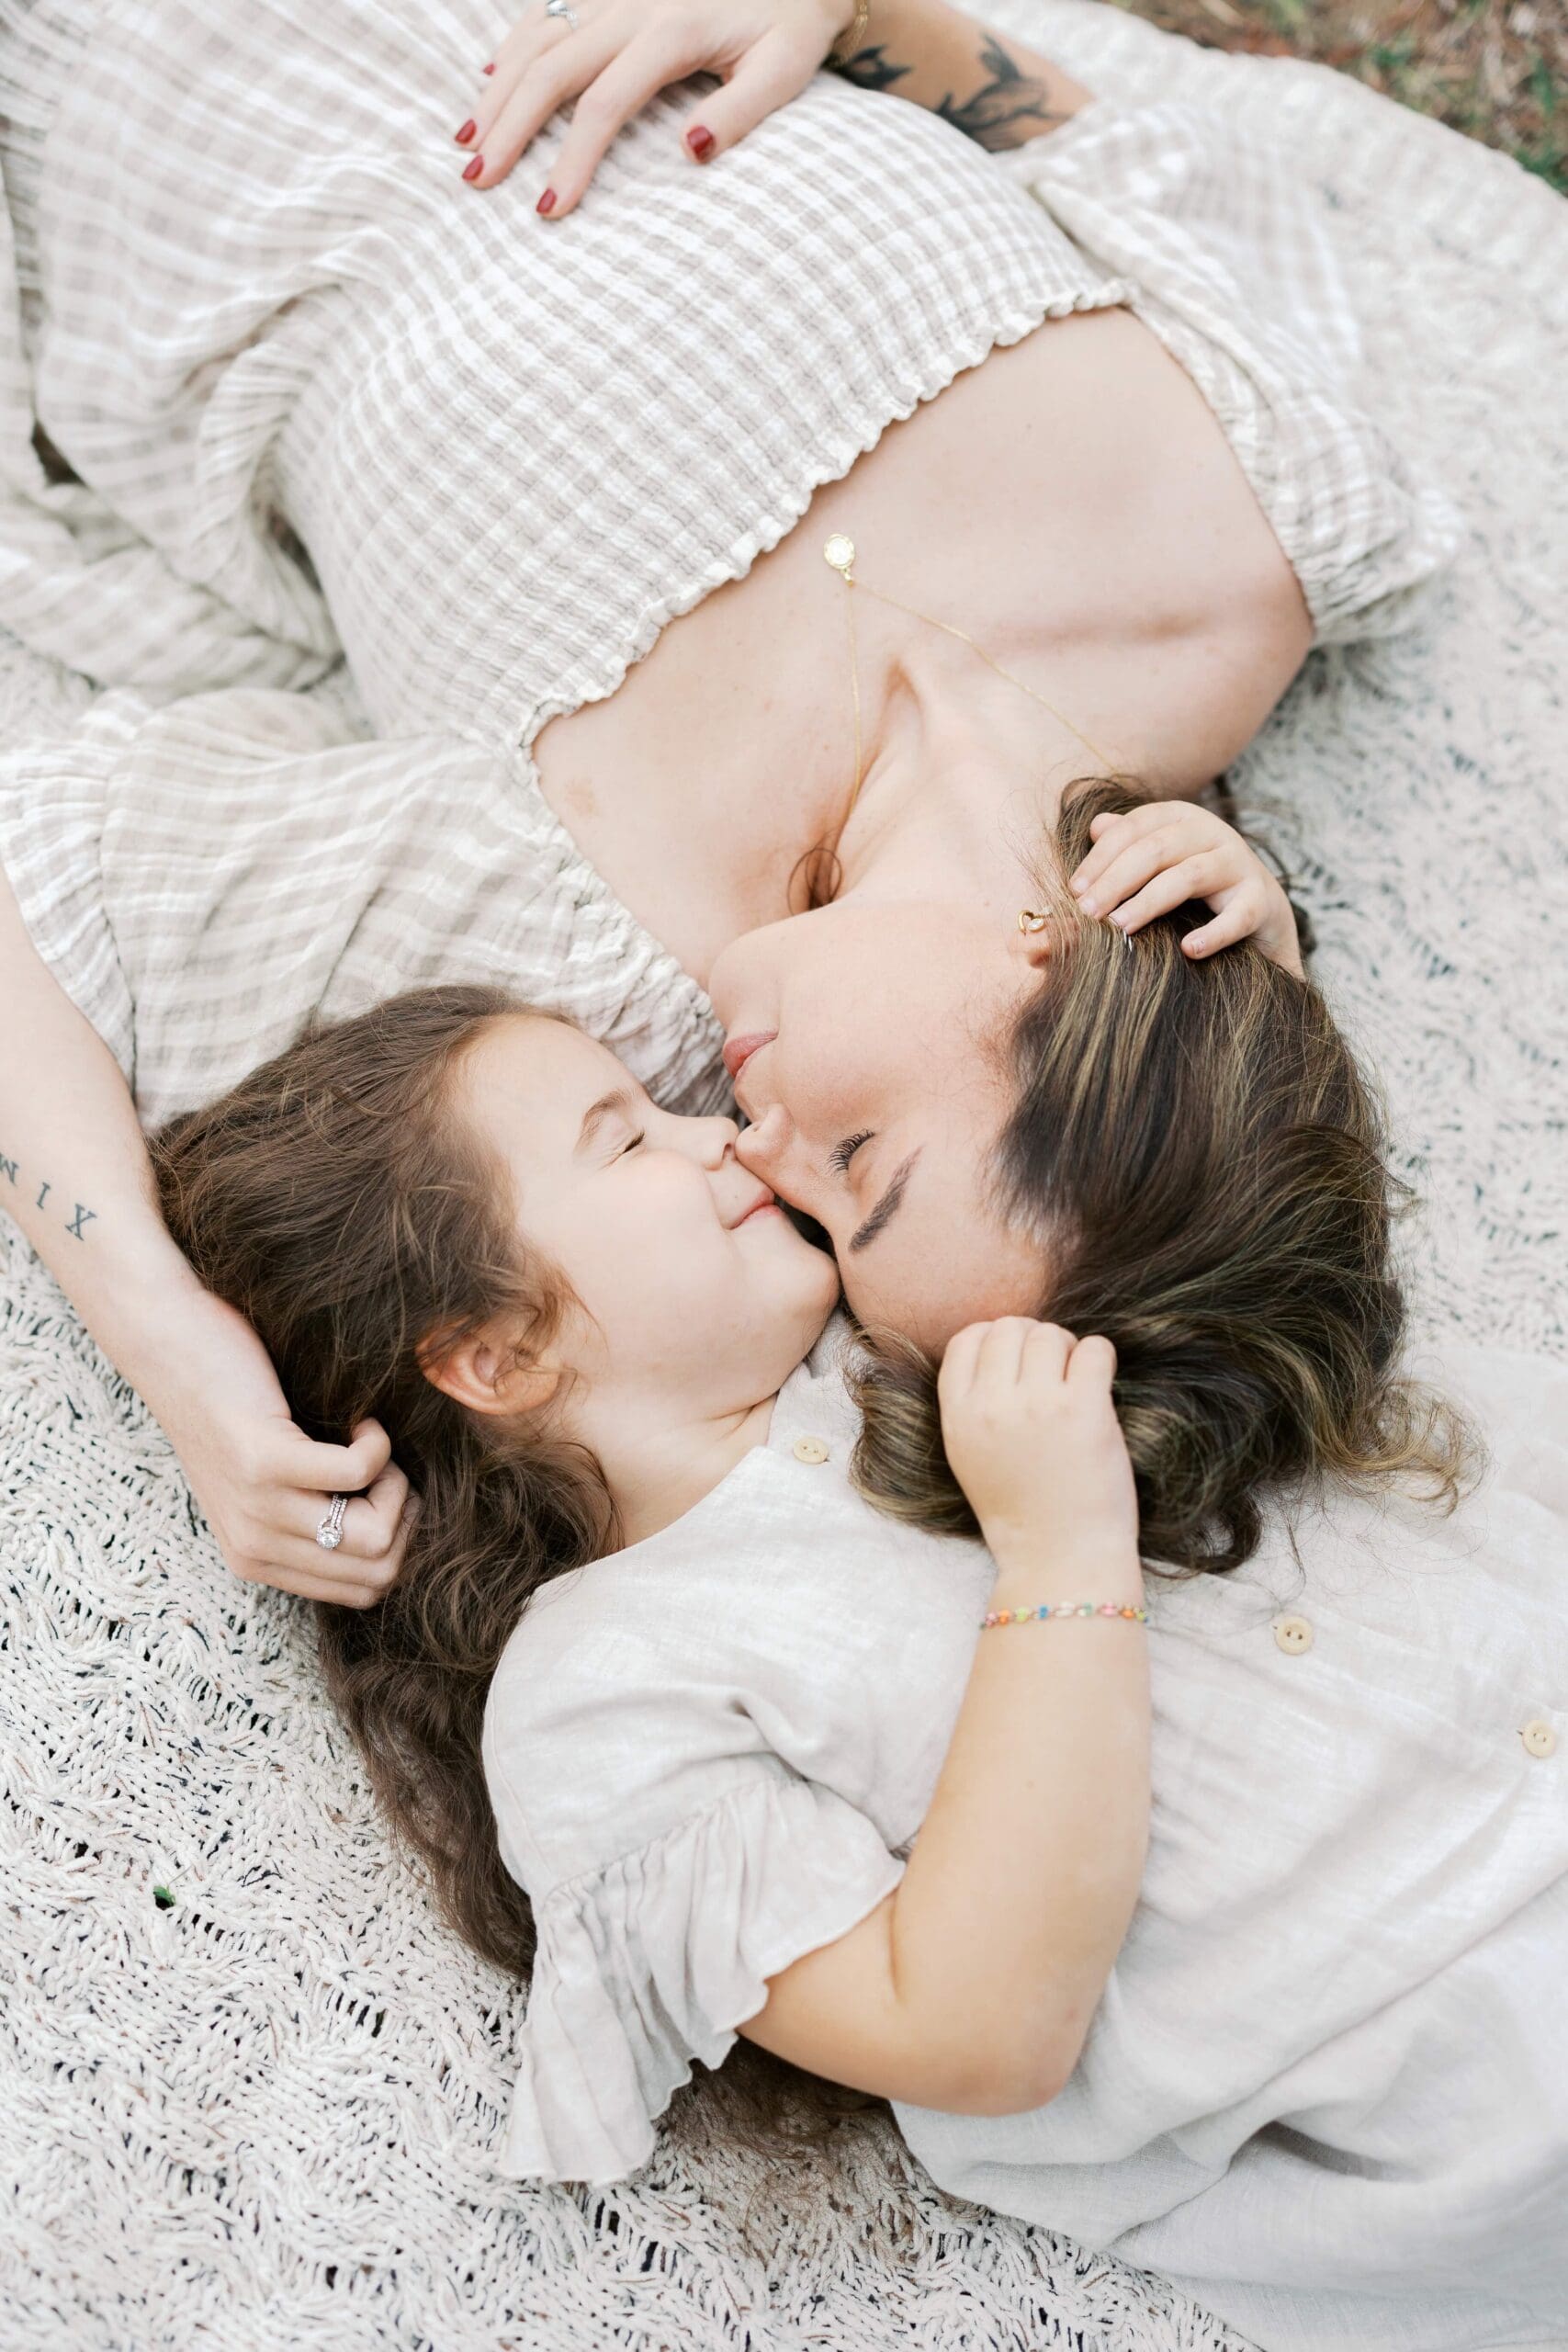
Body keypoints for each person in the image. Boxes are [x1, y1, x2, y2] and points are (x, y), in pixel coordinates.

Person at [0, 0, 1458, 1603]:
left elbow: (43, 893)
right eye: (864, 1159)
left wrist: (167, 1342)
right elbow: (1134, 152)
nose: (766, 1160)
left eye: (818, 1234)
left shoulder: (601, 944)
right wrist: (854, 12)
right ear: (1065, 974)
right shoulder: (1245, 565)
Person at [143, 796, 1567, 2351]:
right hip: (1465, 2064)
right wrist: (1061, 1557)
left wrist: (1220, 961)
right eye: (628, 1133)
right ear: (497, 1352)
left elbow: (1178, 1214)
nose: (727, 1134)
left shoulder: (899, 1318)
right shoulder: (602, 1693)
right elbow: (966, 2029)